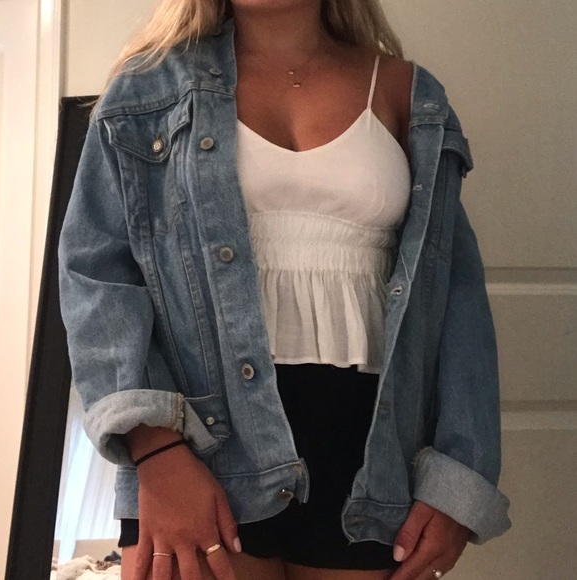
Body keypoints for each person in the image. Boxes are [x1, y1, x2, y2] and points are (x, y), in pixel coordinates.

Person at [58, 1, 511, 579]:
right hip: (197, 449)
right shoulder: (147, 90)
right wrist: (156, 451)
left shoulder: (410, 94)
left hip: (371, 459)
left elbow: (454, 294)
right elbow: (96, 275)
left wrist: (458, 481)